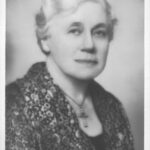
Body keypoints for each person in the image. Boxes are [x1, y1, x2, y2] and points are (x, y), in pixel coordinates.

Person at [6, 0, 134, 149]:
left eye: (99, 32)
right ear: (45, 40)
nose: (89, 45)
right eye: (75, 31)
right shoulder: (13, 106)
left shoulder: (113, 107)